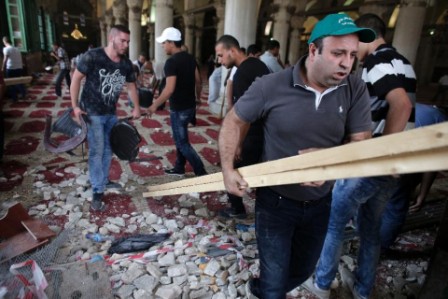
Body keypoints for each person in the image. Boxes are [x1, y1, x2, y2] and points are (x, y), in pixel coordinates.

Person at [218, 13, 375, 298]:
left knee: (303, 270)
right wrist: (228, 169)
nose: (347, 63)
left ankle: (264, 287)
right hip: (276, 202)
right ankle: (269, 289)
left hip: (320, 203)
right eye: (338, 53)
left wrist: (329, 162)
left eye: (352, 54)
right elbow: (234, 121)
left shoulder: (355, 88)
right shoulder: (271, 85)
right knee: (276, 283)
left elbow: (361, 142)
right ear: (313, 50)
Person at [304, 13, 415, 299]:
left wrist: (379, 156)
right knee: (370, 228)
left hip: (375, 162)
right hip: (393, 162)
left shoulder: (378, 60)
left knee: (334, 221)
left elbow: (400, 106)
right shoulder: (403, 61)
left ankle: (322, 283)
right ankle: (363, 289)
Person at [70, 25, 141, 211]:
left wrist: (136, 107)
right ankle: (97, 191)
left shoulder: (126, 63)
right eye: (122, 41)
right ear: (112, 38)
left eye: (128, 41)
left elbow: (132, 86)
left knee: (109, 150)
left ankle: (102, 180)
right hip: (92, 113)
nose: (126, 45)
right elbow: (75, 79)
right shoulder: (93, 56)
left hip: (111, 113)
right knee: (97, 151)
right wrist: (75, 107)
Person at [215, 35, 270, 219]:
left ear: (232, 50)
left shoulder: (242, 74)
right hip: (267, 130)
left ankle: (237, 209)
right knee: (262, 172)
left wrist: (237, 143)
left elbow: (245, 117)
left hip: (253, 132)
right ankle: (267, 210)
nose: (219, 61)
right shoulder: (259, 65)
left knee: (231, 166)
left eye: (221, 55)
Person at [380, 103, 447, 252]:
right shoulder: (442, 120)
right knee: (395, 207)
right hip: (400, 163)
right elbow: (432, 164)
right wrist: (422, 195)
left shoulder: (414, 105)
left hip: (377, 152)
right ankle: (380, 248)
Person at [148, 27, 206, 177]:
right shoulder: (190, 58)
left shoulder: (171, 62)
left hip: (179, 109)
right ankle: (179, 167)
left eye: (164, 43)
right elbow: (198, 81)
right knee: (181, 139)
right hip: (189, 106)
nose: (162, 46)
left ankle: (202, 173)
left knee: (182, 143)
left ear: (171, 43)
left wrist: (154, 105)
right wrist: (198, 97)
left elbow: (169, 90)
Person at [2, 36, 26, 101]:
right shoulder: (16, 49)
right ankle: (23, 94)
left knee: (11, 84)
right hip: (19, 68)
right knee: (19, 82)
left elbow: (5, 59)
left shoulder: (6, 49)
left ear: (5, 42)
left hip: (11, 68)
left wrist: (2, 68)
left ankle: (14, 98)